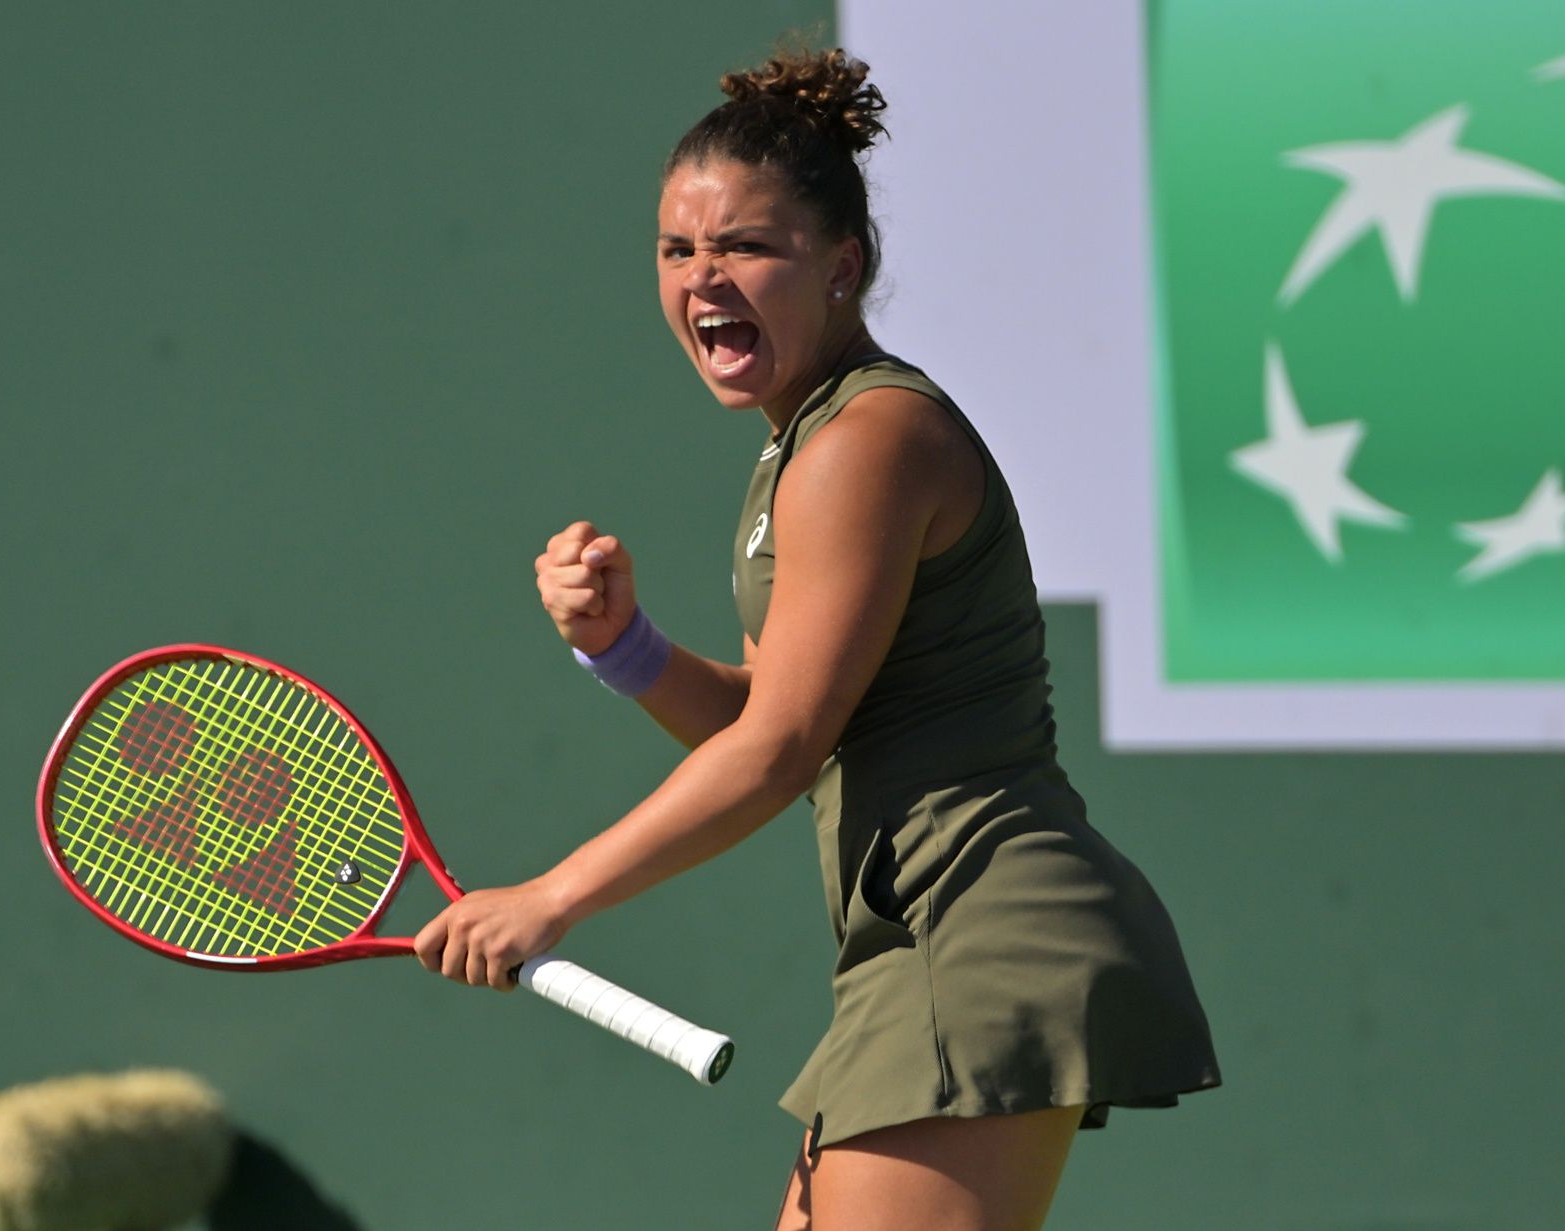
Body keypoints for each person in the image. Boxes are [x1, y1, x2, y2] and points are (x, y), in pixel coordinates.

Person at [413, 45, 1220, 1230]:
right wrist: (625, 647)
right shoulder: (803, 447)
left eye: (745, 247)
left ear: (842, 266)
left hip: (979, 931)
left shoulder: (864, 443)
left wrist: (552, 896)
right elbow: (782, 718)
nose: (704, 279)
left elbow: (784, 748)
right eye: (678, 250)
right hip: (918, 942)